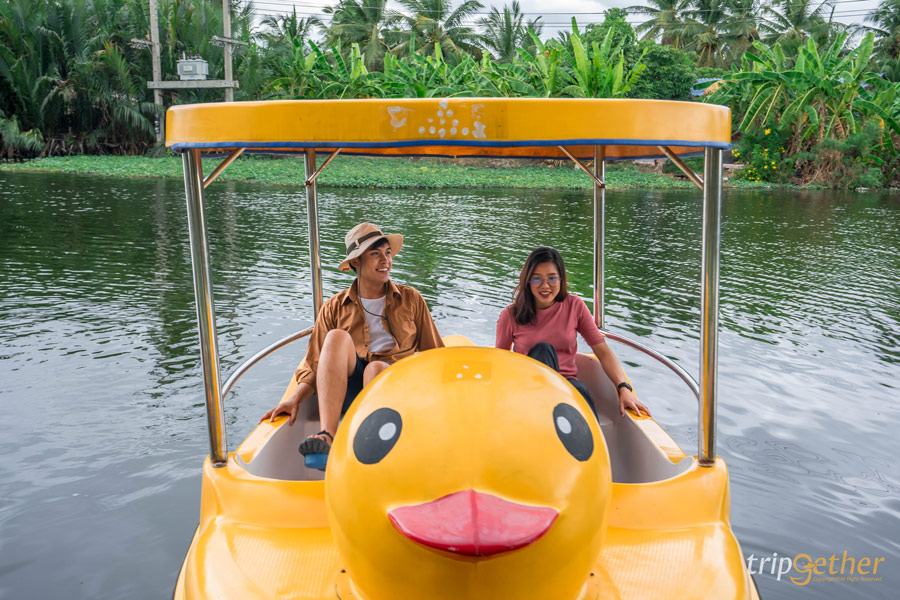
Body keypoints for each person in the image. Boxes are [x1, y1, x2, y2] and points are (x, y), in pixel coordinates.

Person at [260, 222, 444, 456]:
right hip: (349, 391)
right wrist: (295, 398)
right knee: (336, 337)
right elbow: (314, 364)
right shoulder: (334, 307)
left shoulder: (411, 299)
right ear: (356, 262)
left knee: (376, 368)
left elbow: (435, 354)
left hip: (397, 391)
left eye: (388, 253)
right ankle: (328, 435)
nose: (385, 261)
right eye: (375, 254)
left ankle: (373, 445)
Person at [495, 247, 650, 419]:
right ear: (527, 281)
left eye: (552, 278)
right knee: (543, 351)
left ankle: (593, 435)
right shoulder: (510, 315)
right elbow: (500, 363)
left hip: (567, 389)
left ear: (561, 279)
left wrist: (624, 388)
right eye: (537, 279)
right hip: (528, 390)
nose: (545, 286)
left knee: (580, 390)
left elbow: (603, 352)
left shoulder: (574, 306)